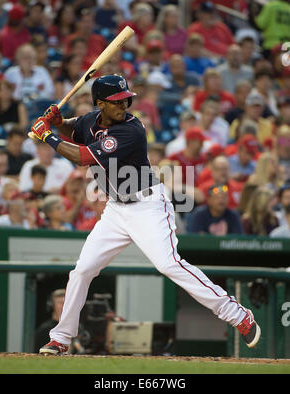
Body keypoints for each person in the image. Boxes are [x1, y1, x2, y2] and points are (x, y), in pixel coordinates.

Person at [29, 74, 261, 355]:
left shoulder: (132, 129)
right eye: (117, 101)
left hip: (147, 205)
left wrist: (47, 136)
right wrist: (57, 121)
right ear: (100, 104)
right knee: (82, 270)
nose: (124, 105)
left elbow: (83, 156)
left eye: (126, 99)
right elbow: (73, 129)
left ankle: (237, 314)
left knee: (169, 265)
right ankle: (61, 338)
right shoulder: (91, 120)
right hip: (116, 210)